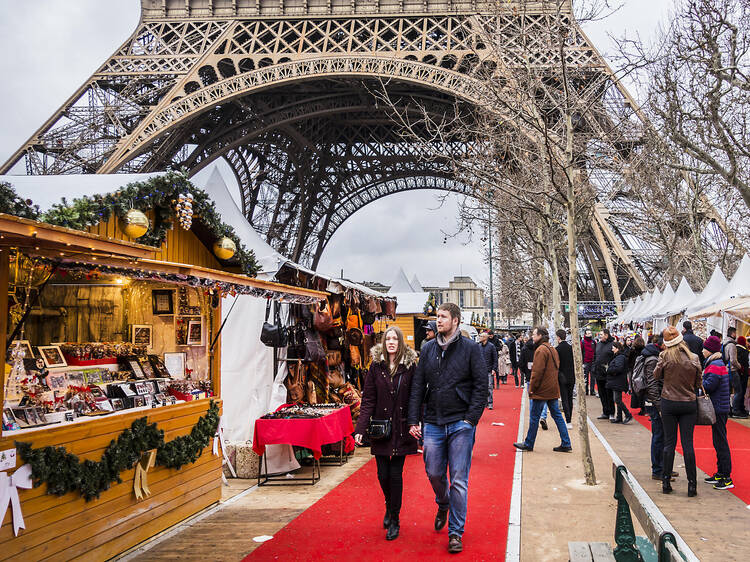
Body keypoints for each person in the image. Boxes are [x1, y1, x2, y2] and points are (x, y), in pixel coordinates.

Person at [407, 303, 487, 554]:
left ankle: (455, 532)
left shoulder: (471, 349)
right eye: (437, 316)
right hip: (433, 421)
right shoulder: (428, 348)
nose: (438, 320)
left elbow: (481, 386)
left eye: (443, 317)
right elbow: (418, 386)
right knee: (433, 472)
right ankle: (443, 502)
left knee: (459, 481)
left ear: (456, 320)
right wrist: (413, 420)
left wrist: (471, 419)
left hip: (461, 422)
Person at [354, 326, 419, 540]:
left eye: (395, 339)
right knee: (382, 475)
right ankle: (389, 507)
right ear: (384, 342)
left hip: (401, 428)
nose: (391, 342)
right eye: (388, 338)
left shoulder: (409, 366)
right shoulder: (376, 366)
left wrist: (414, 423)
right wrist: (360, 429)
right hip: (381, 428)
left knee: (395, 475)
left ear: (400, 342)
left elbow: (413, 398)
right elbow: (368, 399)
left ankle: (395, 518)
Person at [653, 326, 702, 496]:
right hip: (688, 403)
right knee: (688, 444)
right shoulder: (694, 357)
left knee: (669, 443)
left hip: (669, 402)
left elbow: (656, 375)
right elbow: (698, 383)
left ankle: (666, 482)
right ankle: (692, 485)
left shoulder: (664, 356)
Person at [513, 327, 572, 453]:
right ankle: (566, 442)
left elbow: (537, 372)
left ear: (540, 336)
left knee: (534, 417)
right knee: (557, 416)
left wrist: (532, 389)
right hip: (552, 388)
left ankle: (529, 443)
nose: (532, 337)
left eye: (534, 334)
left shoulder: (541, 350)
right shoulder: (551, 349)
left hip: (542, 390)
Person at [702, 335, 734, 490]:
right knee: (718, 440)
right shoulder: (717, 363)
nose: (702, 351)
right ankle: (721, 472)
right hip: (719, 407)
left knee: (721, 442)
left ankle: (726, 477)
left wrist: (700, 381)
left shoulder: (714, 364)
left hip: (719, 408)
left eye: (704, 348)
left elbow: (709, 385)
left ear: (709, 350)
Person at [637, 336, 667, 480]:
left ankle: (663, 466)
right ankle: (658, 469)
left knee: (662, 435)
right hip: (655, 402)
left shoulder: (652, 356)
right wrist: (659, 404)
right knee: (659, 435)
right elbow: (652, 384)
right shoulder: (653, 359)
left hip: (656, 400)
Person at [606, 341, 632, 424]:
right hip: (617, 381)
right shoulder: (619, 357)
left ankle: (628, 414)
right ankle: (619, 417)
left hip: (618, 381)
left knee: (617, 399)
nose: (612, 349)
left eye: (613, 347)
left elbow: (618, 368)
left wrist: (609, 370)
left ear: (617, 349)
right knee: (618, 399)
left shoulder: (620, 357)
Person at [723, 327, 746, 418]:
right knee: (738, 391)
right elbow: (733, 360)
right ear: (733, 334)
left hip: (725, 369)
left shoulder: (724, 343)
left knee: (727, 391)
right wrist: (740, 367)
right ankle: (736, 410)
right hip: (732, 370)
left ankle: (727, 409)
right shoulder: (732, 345)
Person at [593, 329, 615, 420]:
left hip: (608, 374)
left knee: (609, 394)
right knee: (602, 394)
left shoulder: (612, 344)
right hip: (598, 373)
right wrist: (594, 367)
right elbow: (595, 357)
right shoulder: (598, 344)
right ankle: (605, 412)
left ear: (606, 335)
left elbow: (615, 357)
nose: (600, 336)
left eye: (601, 334)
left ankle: (611, 412)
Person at [556, 329, 575, 427]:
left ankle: (568, 420)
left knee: (565, 399)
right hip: (571, 376)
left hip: (562, 377)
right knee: (570, 398)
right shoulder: (571, 348)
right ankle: (569, 419)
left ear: (558, 337)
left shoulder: (557, 349)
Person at [479, 331, 498, 410]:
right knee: (482, 388)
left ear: (485, 338)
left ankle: (490, 403)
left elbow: (495, 358)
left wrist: (494, 368)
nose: (479, 337)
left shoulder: (491, 346)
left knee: (489, 387)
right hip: (480, 370)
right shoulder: (478, 346)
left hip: (489, 369)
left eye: (481, 336)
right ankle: (484, 402)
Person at [628, 335, 646, 415]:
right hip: (643, 372)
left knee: (635, 389)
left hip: (634, 372)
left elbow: (629, 362)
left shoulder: (632, 351)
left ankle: (638, 405)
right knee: (643, 389)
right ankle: (643, 408)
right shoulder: (645, 351)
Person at [736, 336, 749, 418]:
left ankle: (737, 408)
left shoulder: (735, 348)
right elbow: (745, 363)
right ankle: (740, 409)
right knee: (741, 391)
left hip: (736, 373)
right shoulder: (744, 351)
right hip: (743, 374)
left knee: (737, 391)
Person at [581, 329, 596, 395]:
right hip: (585, 362)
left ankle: (592, 391)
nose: (590, 334)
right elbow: (581, 352)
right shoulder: (582, 342)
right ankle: (586, 391)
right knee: (585, 377)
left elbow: (595, 351)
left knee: (593, 377)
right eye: (588, 333)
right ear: (585, 334)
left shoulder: (593, 342)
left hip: (592, 362)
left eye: (590, 333)